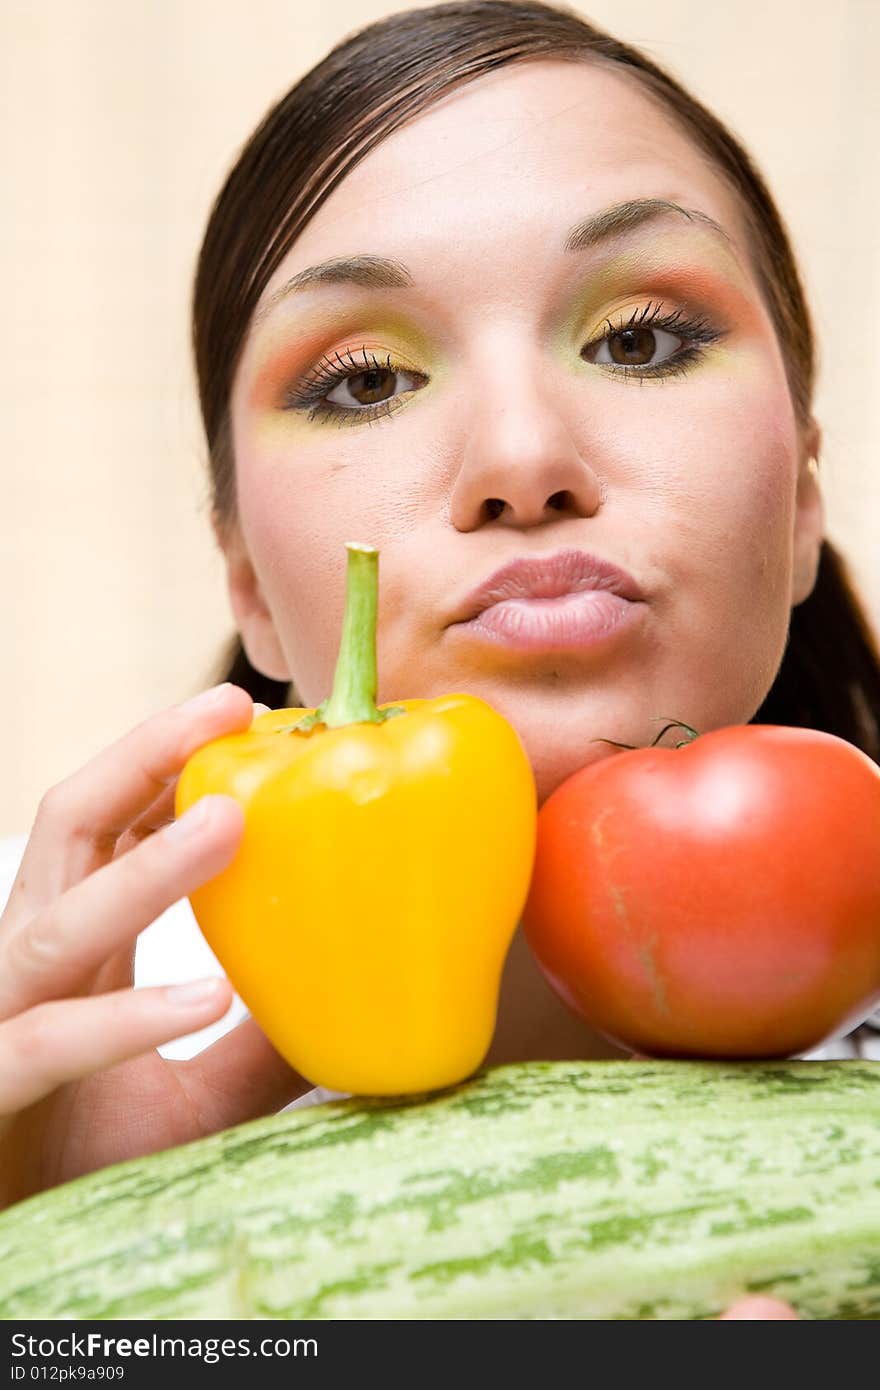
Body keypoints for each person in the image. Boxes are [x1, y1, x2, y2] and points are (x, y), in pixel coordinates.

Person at [2, 1, 878, 1320]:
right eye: (364, 381)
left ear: (803, 495)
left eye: (638, 338)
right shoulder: (46, 1058)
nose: (523, 461)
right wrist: (61, 1273)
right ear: (250, 582)